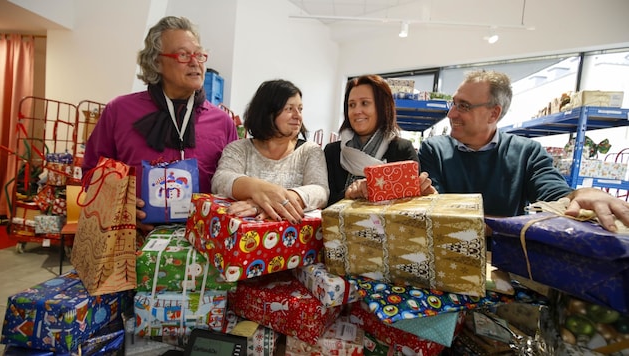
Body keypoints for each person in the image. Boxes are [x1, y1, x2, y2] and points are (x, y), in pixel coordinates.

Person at [419, 69, 629, 232]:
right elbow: (439, 215)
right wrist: (513, 224)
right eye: (453, 104)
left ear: (493, 114)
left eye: (463, 106)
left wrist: (585, 193)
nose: (451, 114)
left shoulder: (527, 153)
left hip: (506, 259)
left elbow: (556, 195)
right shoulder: (434, 149)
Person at [82, 16, 239, 232]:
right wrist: (120, 209)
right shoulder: (119, 111)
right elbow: (91, 174)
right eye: (183, 55)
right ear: (156, 62)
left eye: (199, 55)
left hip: (204, 246)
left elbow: (234, 183)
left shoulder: (222, 122)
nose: (195, 62)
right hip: (133, 244)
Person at [211, 79, 329, 225]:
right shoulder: (239, 149)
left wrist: (273, 203)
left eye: (300, 109)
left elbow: (320, 191)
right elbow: (220, 180)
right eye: (289, 109)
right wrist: (259, 190)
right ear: (267, 111)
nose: (298, 116)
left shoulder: (310, 151)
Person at [324, 74, 436, 206]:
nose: (357, 111)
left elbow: (409, 206)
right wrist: (347, 194)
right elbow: (324, 202)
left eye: (365, 103)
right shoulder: (332, 152)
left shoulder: (402, 149)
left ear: (382, 107)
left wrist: (424, 194)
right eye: (352, 105)